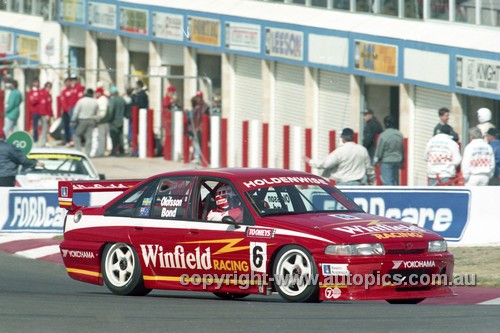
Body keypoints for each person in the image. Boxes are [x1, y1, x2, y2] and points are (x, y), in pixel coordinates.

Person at [306, 128, 375, 185]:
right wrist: (371, 180)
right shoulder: (362, 150)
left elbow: (325, 164)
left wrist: (310, 161)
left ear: (342, 138)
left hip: (343, 184)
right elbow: (369, 168)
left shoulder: (340, 151)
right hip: (357, 184)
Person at [373, 115, 404, 185]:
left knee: (388, 182)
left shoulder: (383, 135)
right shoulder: (399, 134)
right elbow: (402, 149)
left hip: (386, 161)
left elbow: (379, 151)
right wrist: (402, 161)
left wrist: (374, 162)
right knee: (395, 181)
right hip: (397, 160)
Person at [72, 89, 98, 156]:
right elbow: (97, 113)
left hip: (82, 120)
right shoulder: (95, 102)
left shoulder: (81, 101)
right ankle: (87, 153)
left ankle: (79, 151)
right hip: (91, 120)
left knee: (76, 135)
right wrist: (96, 120)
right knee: (89, 137)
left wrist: (73, 120)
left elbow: (76, 111)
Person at [108, 86, 125, 156]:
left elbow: (111, 111)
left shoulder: (113, 100)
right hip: (121, 120)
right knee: (120, 136)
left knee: (114, 137)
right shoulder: (122, 99)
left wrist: (109, 119)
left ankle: (114, 151)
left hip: (114, 121)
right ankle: (121, 150)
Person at [93, 87, 110, 157]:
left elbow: (102, 113)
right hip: (105, 121)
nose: (96, 94)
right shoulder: (104, 99)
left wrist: (96, 120)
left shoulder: (101, 100)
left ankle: (100, 152)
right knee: (104, 137)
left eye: (97, 92)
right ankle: (101, 151)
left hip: (101, 122)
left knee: (101, 138)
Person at [37, 82, 53, 147]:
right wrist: (46, 114)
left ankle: (45, 141)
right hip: (44, 114)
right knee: (44, 128)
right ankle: (42, 142)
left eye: (50, 87)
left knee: (46, 128)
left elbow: (49, 106)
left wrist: (51, 114)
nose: (48, 88)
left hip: (48, 114)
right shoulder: (43, 94)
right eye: (47, 87)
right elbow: (43, 106)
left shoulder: (48, 95)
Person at [28, 79, 43, 145]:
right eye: (35, 82)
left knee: (44, 126)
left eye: (37, 82)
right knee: (35, 126)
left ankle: (43, 139)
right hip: (35, 112)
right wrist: (37, 98)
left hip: (42, 112)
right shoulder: (31, 92)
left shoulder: (40, 91)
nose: (36, 83)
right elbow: (32, 101)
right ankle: (35, 139)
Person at [59, 78, 73, 144]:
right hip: (66, 112)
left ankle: (71, 139)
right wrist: (67, 110)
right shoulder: (64, 91)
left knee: (72, 126)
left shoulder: (73, 90)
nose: (68, 83)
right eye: (66, 82)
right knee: (65, 126)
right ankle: (66, 139)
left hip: (72, 111)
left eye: (69, 82)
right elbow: (63, 102)